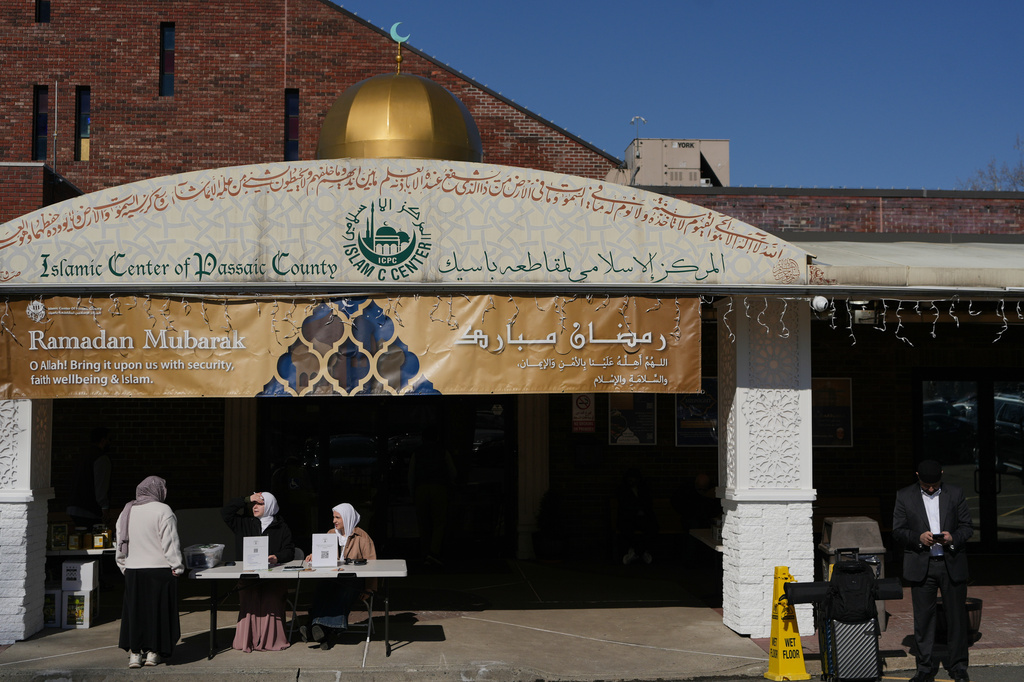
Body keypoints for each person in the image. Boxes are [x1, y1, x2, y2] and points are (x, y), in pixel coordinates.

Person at [892, 459, 973, 682]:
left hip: (951, 563)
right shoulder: (904, 495)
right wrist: (918, 539)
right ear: (917, 475)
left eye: (934, 484)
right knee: (924, 619)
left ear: (942, 476)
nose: (930, 488)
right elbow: (898, 531)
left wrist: (952, 538)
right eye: (926, 485)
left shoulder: (955, 493)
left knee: (956, 618)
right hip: (921, 565)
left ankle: (958, 666)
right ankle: (924, 668)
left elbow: (967, 527)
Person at [115, 475, 183, 669]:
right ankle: (154, 653)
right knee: (157, 612)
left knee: (136, 612)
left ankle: (135, 655)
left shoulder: (127, 511)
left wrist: (123, 566)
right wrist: (177, 566)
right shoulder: (163, 510)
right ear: (159, 491)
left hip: (133, 570)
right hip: (160, 570)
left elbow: (120, 542)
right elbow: (169, 541)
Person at [221, 491, 295, 652]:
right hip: (250, 575)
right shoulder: (245, 523)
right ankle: (248, 640)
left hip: (272, 576)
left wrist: (277, 557)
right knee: (249, 602)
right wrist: (246, 499)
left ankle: (271, 641)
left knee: (271, 601)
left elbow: (290, 551)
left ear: (270, 506)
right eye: (254, 504)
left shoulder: (281, 526)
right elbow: (226, 512)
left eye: (260, 503)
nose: (255, 506)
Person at [300, 502, 377, 650]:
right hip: (332, 578)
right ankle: (327, 632)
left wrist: (370, 588)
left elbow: (373, 565)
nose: (334, 521)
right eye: (333, 517)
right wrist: (312, 555)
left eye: (338, 517)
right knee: (322, 588)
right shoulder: (330, 534)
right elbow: (322, 554)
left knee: (343, 591)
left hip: (354, 580)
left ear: (347, 518)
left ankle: (313, 626)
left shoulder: (362, 537)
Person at [408, 425, 456, 565]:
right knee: (439, 522)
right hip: (439, 487)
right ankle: (434, 552)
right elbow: (453, 472)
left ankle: (425, 550)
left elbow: (411, 474)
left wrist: (412, 493)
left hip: (421, 488)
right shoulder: (442, 452)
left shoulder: (417, 452)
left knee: (423, 522)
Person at [67, 426, 112, 529]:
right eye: (109, 439)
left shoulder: (82, 456)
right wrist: (104, 508)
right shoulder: (101, 458)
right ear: (103, 440)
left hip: (74, 505)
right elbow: (101, 486)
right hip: (89, 509)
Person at [616, 468, 657, 564]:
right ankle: (641, 552)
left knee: (652, 527)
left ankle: (636, 552)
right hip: (628, 518)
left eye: (633, 478)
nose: (631, 480)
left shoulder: (643, 490)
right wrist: (636, 511)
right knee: (627, 529)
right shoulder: (623, 490)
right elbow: (624, 506)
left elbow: (648, 504)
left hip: (642, 518)